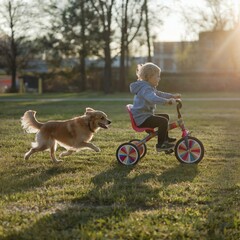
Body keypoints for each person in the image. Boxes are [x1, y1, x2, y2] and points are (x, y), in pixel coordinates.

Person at [129, 62, 181, 151]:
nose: (159, 78)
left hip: (144, 116)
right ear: (149, 77)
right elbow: (153, 98)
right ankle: (160, 145)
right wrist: (167, 102)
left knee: (165, 117)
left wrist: (171, 96)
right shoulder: (146, 88)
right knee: (163, 121)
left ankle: (165, 139)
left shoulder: (149, 86)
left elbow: (159, 93)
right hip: (142, 119)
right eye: (157, 76)